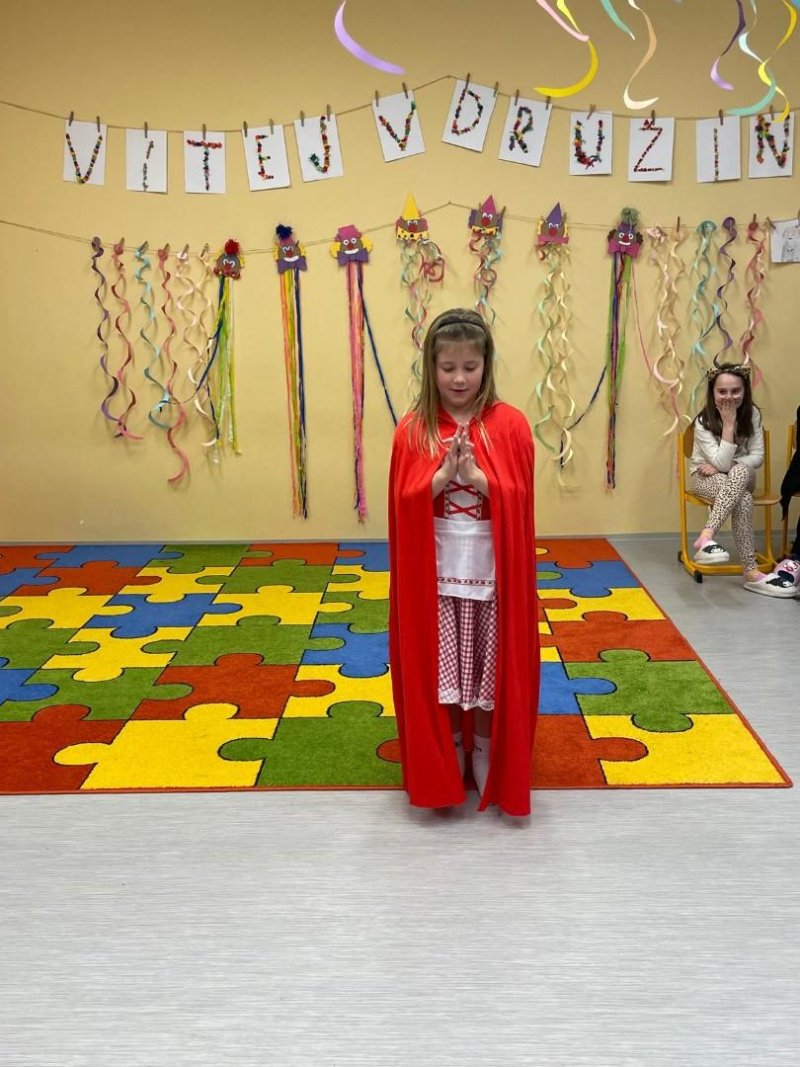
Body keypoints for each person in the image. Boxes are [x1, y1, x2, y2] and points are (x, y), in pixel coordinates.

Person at [388, 308, 539, 816]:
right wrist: (436, 480)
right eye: (448, 367)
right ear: (431, 368)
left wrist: (480, 480)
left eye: (470, 367)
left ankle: (483, 747)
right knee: (441, 666)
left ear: (486, 365)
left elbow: (520, 500)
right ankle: (448, 746)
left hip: (492, 574)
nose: (458, 378)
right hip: (435, 575)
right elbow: (402, 504)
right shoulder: (414, 430)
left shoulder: (510, 425)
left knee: (488, 667)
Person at [690, 363, 796, 597]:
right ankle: (751, 572)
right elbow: (720, 464)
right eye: (722, 391)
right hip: (704, 479)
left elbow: (756, 457)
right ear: (712, 393)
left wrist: (729, 465)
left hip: (741, 475)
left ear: (745, 391)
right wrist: (728, 425)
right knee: (744, 499)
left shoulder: (753, 414)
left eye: (735, 391)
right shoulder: (703, 421)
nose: (729, 397)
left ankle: (707, 534)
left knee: (739, 471)